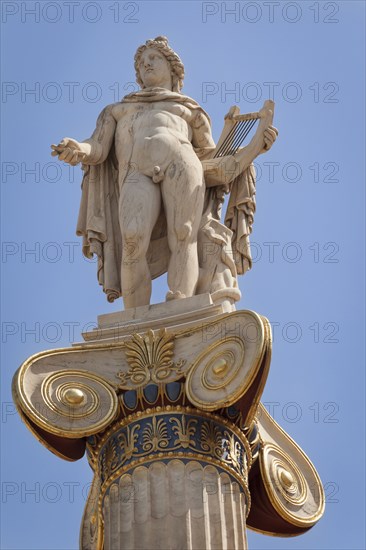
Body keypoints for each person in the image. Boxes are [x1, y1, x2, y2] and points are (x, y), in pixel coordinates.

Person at [51, 36, 277, 309]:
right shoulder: (118, 110)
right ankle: (134, 314)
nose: (146, 66)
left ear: (172, 68)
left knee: (184, 233)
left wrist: (253, 149)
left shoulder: (190, 110)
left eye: (153, 59)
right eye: (141, 63)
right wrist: (79, 148)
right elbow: (97, 146)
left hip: (183, 164)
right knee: (132, 239)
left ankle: (180, 300)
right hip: (136, 171)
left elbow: (211, 161)